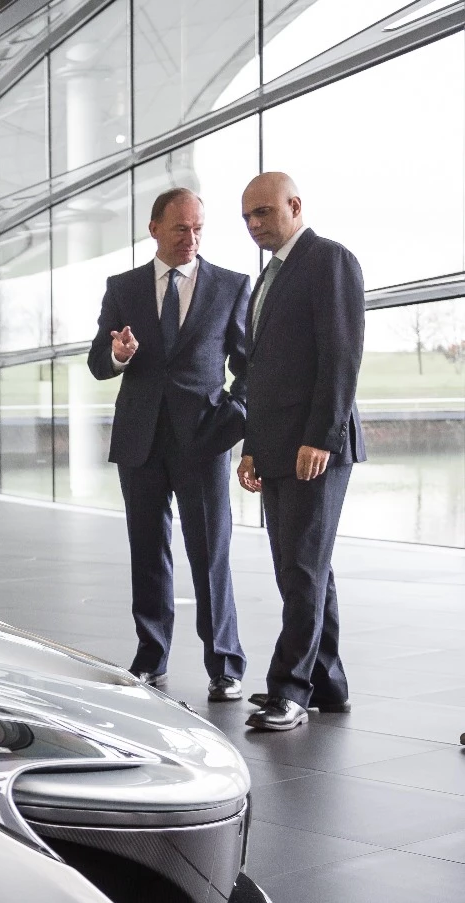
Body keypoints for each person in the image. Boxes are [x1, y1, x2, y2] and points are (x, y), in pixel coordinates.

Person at [87, 187, 251, 703]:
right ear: (154, 228)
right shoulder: (123, 287)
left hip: (205, 439)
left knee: (210, 553)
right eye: (181, 228)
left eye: (199, 228)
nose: (191, 238)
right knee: (148, 552)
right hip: (140, 440)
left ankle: (224, 663)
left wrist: (234, 416)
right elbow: (97, 362)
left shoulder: (232, 285)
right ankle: (151, 659)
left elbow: (249, 366)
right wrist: (118, 354)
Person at [236, 173, 365, 732]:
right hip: (277, 446)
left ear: (294, 205)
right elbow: (260, 374)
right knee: (305, 567)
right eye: (247, 217)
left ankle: (289, 689)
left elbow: (341, 356)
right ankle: (327, 685)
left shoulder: (329, 260)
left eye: (263, 212)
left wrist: (322, 437)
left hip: (316, 446)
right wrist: (251, 447)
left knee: (302, 568)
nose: (254, 224)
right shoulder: (269, 277)